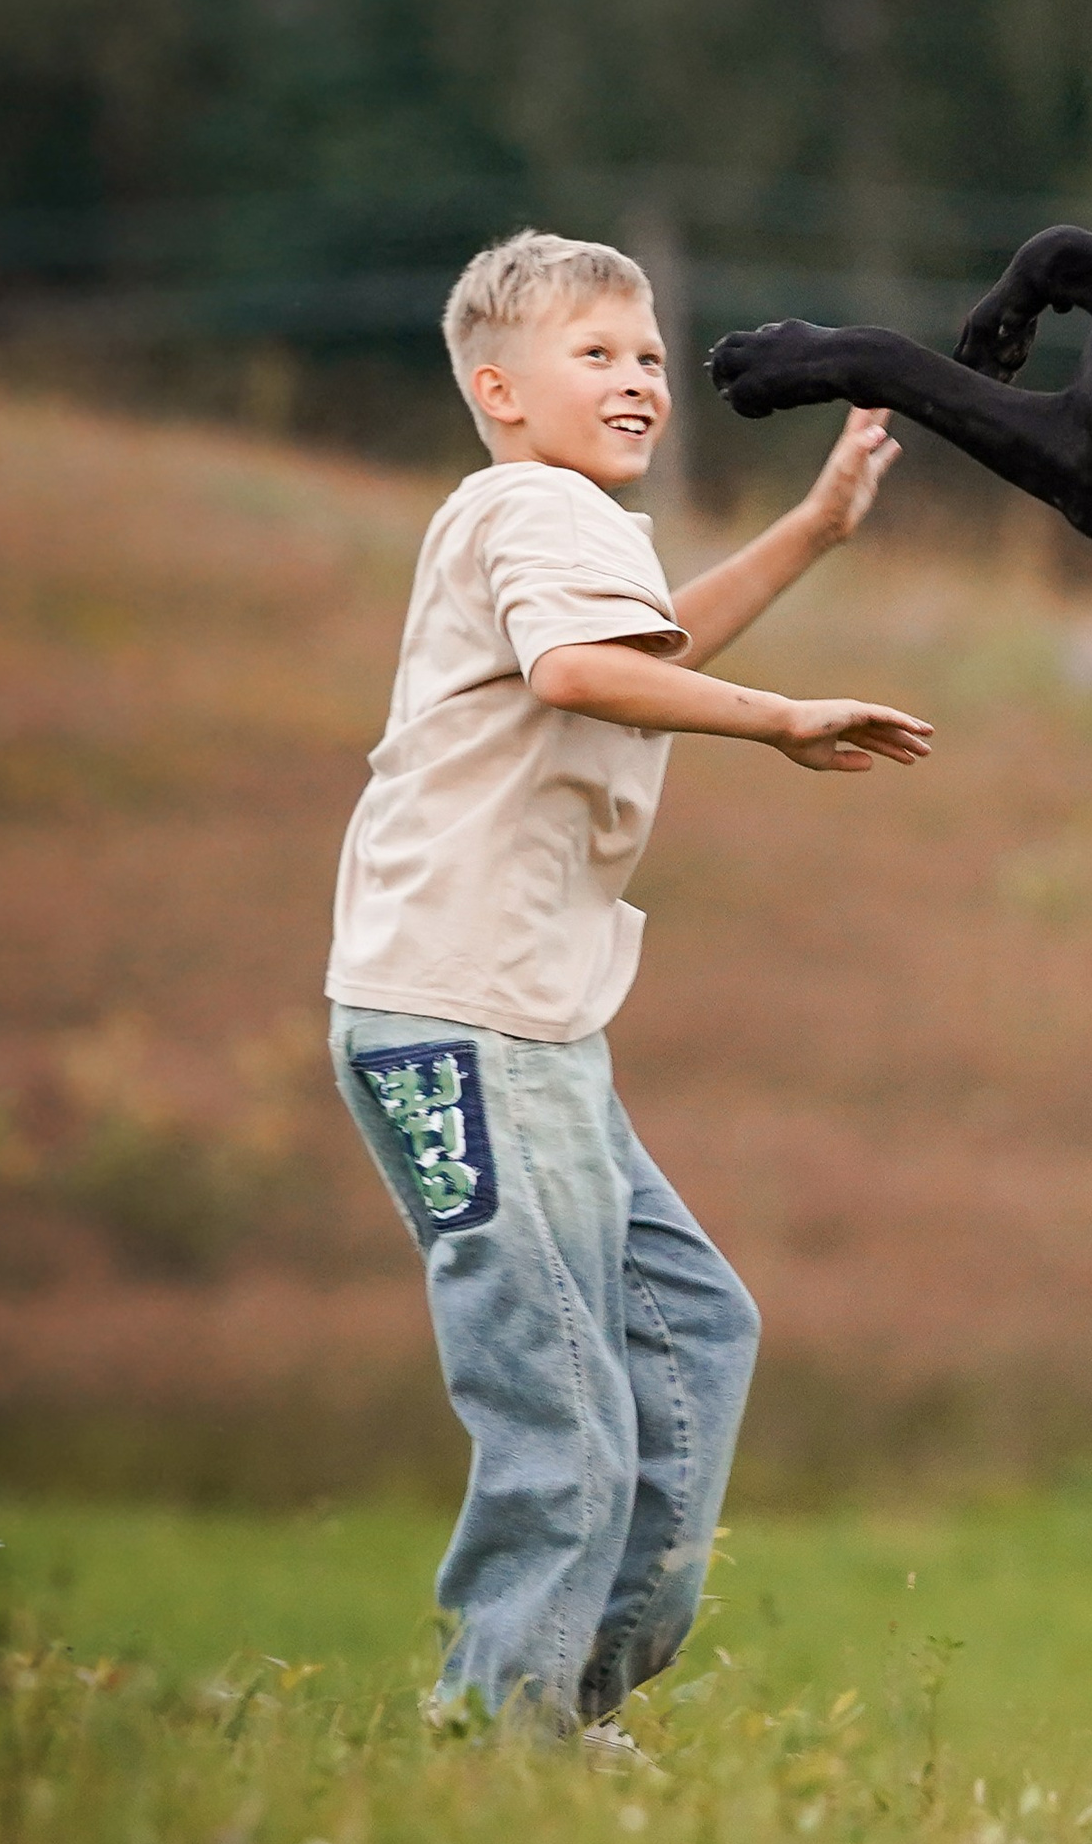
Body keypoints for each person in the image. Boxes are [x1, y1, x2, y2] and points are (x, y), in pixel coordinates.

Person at [327, 228, 929, 1732]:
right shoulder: (533, 507)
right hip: (468, 1021)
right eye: (596, 354)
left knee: (693, 1329)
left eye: (651, 354)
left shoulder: (558, 522)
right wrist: (778, 718)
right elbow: (581, 675)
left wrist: (811, 534)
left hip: (519, 1022)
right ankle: (500, 1747)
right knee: (568, 1414)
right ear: (500, 390)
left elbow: (637, 642)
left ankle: (561, 1709)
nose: (641, 377)